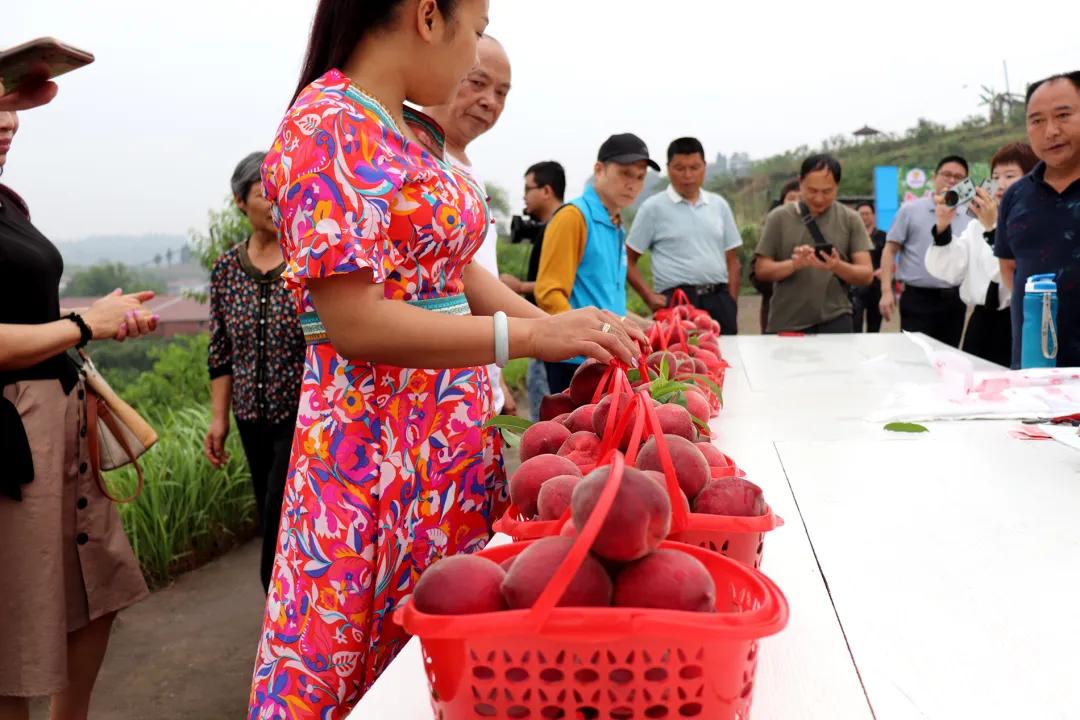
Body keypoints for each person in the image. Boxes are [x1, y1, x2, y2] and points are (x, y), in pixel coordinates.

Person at [247, 2, 645, 717]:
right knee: (366, 669)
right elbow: (356, 323)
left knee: (452, 649)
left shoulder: (408, 126)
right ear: (428, 16)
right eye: (474, 26)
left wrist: (573, 327)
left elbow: (456, 273)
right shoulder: (328, 124)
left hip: (447, 448)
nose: (475, 57)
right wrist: (527, 340)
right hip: (372, 459)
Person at [0, 79, 156, 720]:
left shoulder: (9, 203)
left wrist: (99, 318)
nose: (8, 124)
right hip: (13, 436)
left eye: (10, 115)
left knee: (97, 589)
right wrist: (84, 324)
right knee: (12, 631)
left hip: (59, 422)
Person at [203, 151, 305, 593]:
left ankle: (275, 597)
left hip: (300, 413)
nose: (276, 201)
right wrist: (219, 419)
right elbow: (220, 349)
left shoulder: (306, 262)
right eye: (266, 192)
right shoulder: (227, 269)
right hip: (249, 415)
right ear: (241, 201)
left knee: (280, 505)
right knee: (269, 508)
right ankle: (290, 600)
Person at [424, 34, 517, 414]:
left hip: (479, 384)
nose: (489, 101)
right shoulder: (422, 159)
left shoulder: (468, 171)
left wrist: (500, 380)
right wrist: (547, 330)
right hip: (435, 395)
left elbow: (479, 280)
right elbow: (460, 275)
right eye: (477, 83)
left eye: (502, 93)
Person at [535, 132, 657, 393]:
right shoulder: (574, 217)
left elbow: (607, 302)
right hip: (577, 362)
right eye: (625, 173)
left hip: (608, 357)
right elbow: (549, 295)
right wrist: (590, 338)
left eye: (640, 177)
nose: (633, 184)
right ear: (599, 170)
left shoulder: (615, 224)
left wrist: (644, 326)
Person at [925, 142, 1038, 366]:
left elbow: (1005, 273)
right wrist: (942, 228)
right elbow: (950, 270)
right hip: (980, 321)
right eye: (996, 176)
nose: (1001, 183)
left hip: (1018, 320)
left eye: (1010, 175)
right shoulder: (976, 226)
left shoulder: (1033, 222)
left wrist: (992, 229)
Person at [996, 71, 1080, 368]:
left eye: (1063, 115)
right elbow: (1008, 266)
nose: (1050, 131)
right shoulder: (1016, 196)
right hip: (1035, 374)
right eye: (1037, 120)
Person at [625, 137, 742, 333]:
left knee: (727, 358)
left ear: (704, 167)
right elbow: (628, 260)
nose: (688, 175)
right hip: (676, 301)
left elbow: (732, 260)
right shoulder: (652, 208)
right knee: (679, 360)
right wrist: (649, 297)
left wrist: (731, 302)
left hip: (719, 299)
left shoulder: (719, 205)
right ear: (669, 168)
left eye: (694, 167)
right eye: (680, 168)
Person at [753, 154, 873, 333]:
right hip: (787, 322)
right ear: (800, 182)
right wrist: (794, 264)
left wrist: (836, 265)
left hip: (836, 319)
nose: (819, 198)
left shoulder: (850, 219)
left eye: (827, 191)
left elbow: (866, 274)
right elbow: (762, 270)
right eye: (812, 190)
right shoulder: (778, 218)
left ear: (837, 187)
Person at [879, 155, 972, 346]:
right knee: (914, 360)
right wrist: (886, 291)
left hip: (954, 300)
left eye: (959, 177)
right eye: (946, 174)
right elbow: (890, 250)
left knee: (948, 359)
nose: (952, 180)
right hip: (917, 300)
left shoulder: (969, 216)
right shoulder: (910, 210)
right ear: (934, 178)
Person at [501, 160, 566, 419]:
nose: (524, 197)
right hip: (546, 329)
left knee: (546, 417)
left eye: (528, 189)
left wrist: (518, 286)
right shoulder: (552, 226)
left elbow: (564, 282)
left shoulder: (561, 225)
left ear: (546, 191)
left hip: (550, 331)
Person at [750, 179, 799, 333]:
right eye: (791, 198)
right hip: (776, 313)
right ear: (782, 202)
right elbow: (757, 276)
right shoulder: (771, 231)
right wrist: (787, 269)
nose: (795, 204)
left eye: (801, 199)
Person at [852, 200, 887, 332]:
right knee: (855, 327)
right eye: (861, 214)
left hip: (876, 286)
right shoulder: (852, 236)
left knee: (874, 328)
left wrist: (884, 270)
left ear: (873, 215)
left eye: (867, 213)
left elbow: (890, 259)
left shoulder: (883, 236)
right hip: (856, 287)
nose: (864, 217)